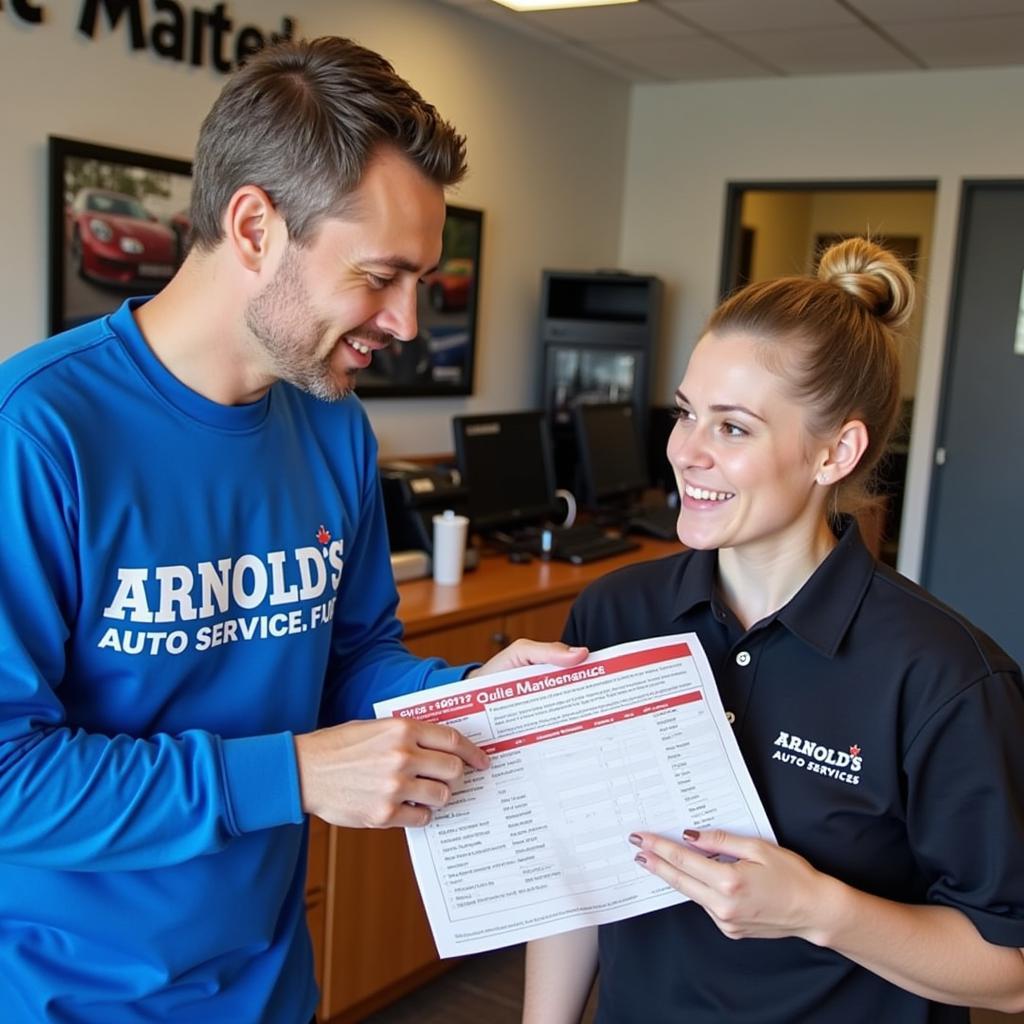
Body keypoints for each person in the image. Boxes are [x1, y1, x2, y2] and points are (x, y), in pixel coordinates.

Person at [0, 36, 587, 1024]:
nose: (406, 321)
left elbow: (351, 658)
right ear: (255, 227)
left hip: (268, 982)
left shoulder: (329, 424)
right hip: (69, 994)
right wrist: (291, 772)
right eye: (380, 276)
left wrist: (469, 695)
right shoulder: (39, 433)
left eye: (421, 283)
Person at [523, 238, 1024, 1023]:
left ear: (835, 452)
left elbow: (1010, 968)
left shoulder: (943, 676)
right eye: (687, 413)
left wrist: (820, 909)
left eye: (733, 429)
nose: (686, 453)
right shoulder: (614, 617)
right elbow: (577, 867)